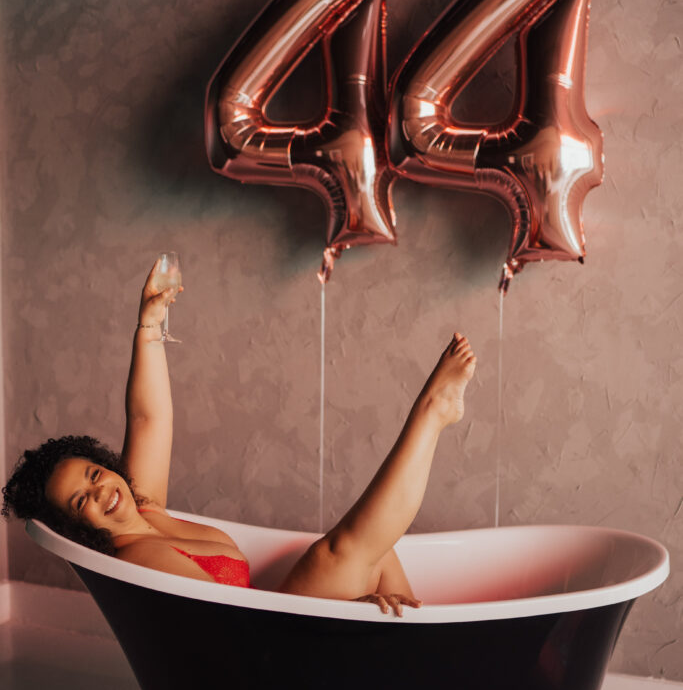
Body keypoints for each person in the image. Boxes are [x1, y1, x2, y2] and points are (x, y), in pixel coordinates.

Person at [2, 262, 476, 615]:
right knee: (341, 552)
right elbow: (235, 622)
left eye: (94, 473)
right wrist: (344, 608)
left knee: (376, 547)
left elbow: (148, 419)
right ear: (75, 529)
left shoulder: (143, 510)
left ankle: (409, 640)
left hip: (271, 631)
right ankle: (432, 413)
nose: (101, 490)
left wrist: (148, 327)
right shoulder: (134, 556)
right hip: (261, 657)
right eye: (80, 500)